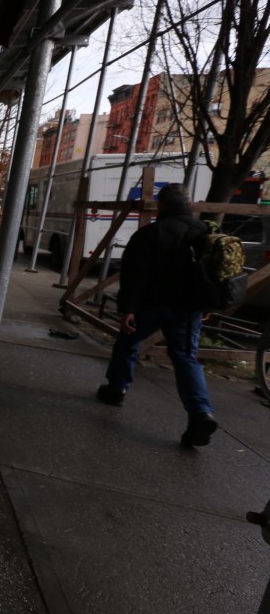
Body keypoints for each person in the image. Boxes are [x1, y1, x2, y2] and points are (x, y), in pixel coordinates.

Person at [95, 183, 218, 448]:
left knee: (128, 342)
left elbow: (134, 274)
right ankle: (200, 412)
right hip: (188, 309)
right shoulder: (205, 233)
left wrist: (127, 308)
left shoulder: (150, 233)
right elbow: (214, 273)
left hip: (149, 305)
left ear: (161, 205)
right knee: (186, 358)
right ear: (189, 203)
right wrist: (206, 304)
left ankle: (117, 389)